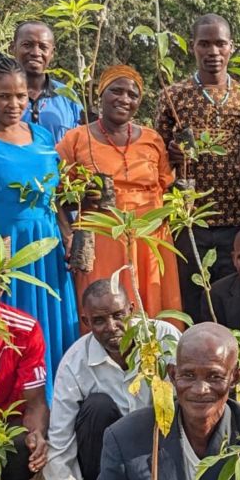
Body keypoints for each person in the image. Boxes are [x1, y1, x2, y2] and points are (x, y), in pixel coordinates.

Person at [0, 48, 79, 399]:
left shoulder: (41, 136)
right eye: (3, 96)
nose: (14, 104)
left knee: (53, 328)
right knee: (11, 336)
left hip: (48, 247)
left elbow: (55, 194)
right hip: (2, 251)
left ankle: (58, 415)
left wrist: (67, 233)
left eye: (21, 96)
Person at [58, 65, 182, 321]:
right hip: (101, 236)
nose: (124, 99)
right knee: (104, 306)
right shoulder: (76, 139)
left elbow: (167, 186)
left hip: (149, 237)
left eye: (132, 95)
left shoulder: (152, 138)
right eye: (116, 91)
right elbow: (56, 195)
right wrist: (78, 210)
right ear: (101, 94)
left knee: (153, 308)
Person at [155, 13, 240, 321]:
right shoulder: (174, 96)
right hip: (189, 218)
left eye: (220, 44)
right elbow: (156, 155)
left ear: (231, 48)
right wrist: (172, 156)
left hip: (235, 218)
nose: (213, 52)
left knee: (230, 297)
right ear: (193, 48)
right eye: (204, 44)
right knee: (190, 296)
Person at [96, 323, 240, 480]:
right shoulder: (125, 437)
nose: (200, 389)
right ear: (172, 375)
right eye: (188, 375)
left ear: (235, 377)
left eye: (214, 377)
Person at [45, 279, 182, 480]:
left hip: (161, 448)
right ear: (86, 322)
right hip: (106, 459)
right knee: (97, 406)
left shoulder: (164, 337)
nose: (112, 327)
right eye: (99, 320)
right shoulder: (74, 362)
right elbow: (60, 438)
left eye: (119, 316)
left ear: (132, 310)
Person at [0, 259, 49, 480]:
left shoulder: (24, 330)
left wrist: (37, 434)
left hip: (4, 422)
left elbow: (36, 403)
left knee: (21, 444)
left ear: (0, 290)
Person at [3, 21, 81, 142]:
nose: (35, 53)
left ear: (52, 53)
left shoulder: (68, 96)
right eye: (27, 45)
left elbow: (82, 143)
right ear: (12, 48)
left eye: (43, 47)